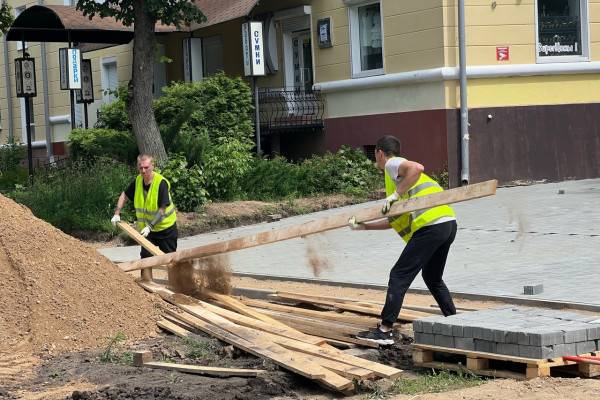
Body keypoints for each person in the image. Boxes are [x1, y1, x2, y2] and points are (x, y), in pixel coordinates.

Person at [349, 135, 457, 345]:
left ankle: (385, 330)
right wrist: (364, 226)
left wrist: (395, 195)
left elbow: (417, 166)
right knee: (433, 277)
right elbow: (393, 221)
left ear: (380, 153)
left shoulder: (392, 165)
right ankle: (456, 321)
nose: (376, 161)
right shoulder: (400, 180)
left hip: (430, 226)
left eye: (376, 156)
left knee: (399, 275)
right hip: (447, 224)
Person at [111, 154, 178, 261]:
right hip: (147, 231)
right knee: (145, 259)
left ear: (153, 166)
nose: (143, 171)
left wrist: (150, 226)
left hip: (165, 230)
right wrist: (117, 213)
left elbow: (162, 209)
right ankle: (146, 278)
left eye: (146, 167)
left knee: (170, 260)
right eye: (140, 167)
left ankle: (176, 278)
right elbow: (124, 195)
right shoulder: (138, 181)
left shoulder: (161, 183)